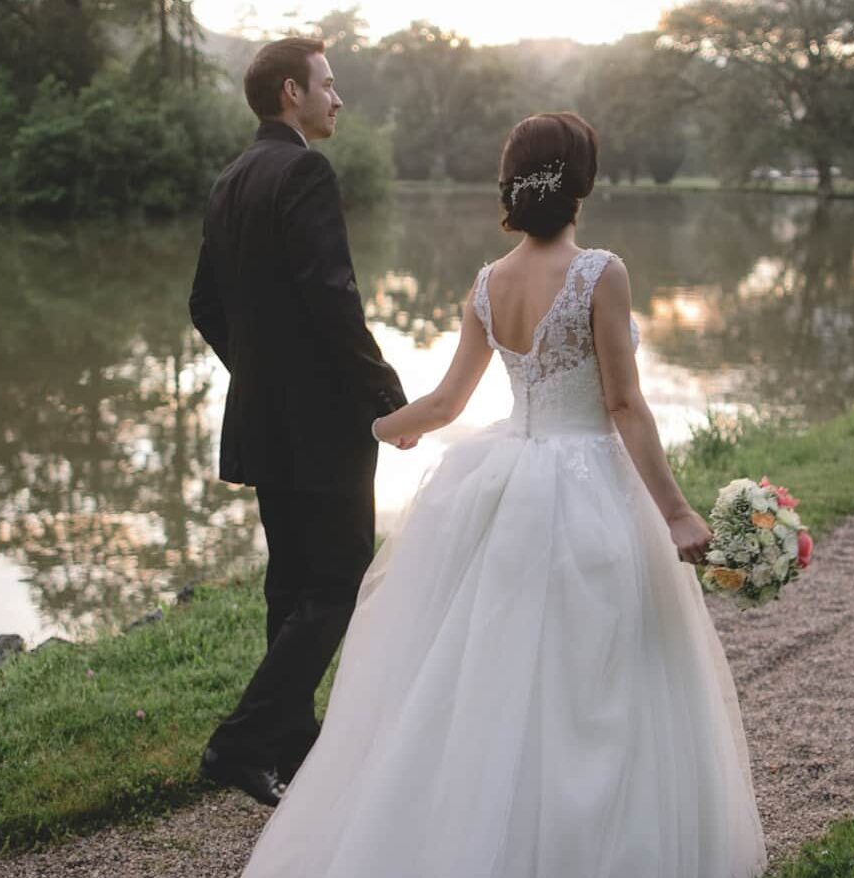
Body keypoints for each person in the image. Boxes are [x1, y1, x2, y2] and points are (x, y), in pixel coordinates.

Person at [238, 112, 767, 878]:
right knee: (598, 673)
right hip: (589, 488)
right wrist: (677, 511)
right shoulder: (600, 272)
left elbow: (449, 402)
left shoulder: (488, 281)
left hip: (505, 485)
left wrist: (382, 426)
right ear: (578, 183)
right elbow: (623, 406)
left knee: (498, 670)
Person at [188, 37, 408, 807]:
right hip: (320, 424)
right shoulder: (304, 170)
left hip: (263, 419)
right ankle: (240, 742)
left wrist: (260, 376)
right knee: (339, 579)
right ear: (292, 93)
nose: (338, 98)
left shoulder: (230, 178)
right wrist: (387, 396)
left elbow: (203, 307)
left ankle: (287, 743)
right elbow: (331, 295)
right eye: (328, 84)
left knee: (291, 585)